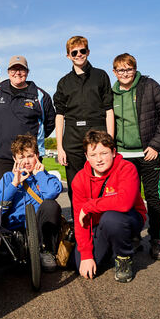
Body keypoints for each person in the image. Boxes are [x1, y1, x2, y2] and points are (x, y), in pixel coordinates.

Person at [111, 53, 160, 260]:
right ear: (115, 72)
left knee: (152, 197)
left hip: (148, 153)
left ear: (135, 69)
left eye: (129, 69)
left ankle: (156, 240)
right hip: (122, 156)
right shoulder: (111, 94)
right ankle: (134, 236)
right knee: (128, 198)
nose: (125, 73)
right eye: (121, 70)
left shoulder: (149, 85)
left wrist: (156, 145)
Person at [0, 55, 56, 182]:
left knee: (33, 199)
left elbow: (50, 123)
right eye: (13, 69)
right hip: (2, 158)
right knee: (5, 198)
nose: (17, 73)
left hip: (30, 158)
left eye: (21, 69)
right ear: (8, 72)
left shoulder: (40, 96)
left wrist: (34, 142)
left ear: (27, 72)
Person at [72, 130, 147, 283]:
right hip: (98, 224)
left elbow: (124, 203)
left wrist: (89, 206)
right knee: (80, 265)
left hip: (128, 218)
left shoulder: (127, 168)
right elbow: (81, 222)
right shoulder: (79, 179)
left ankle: (123, 256)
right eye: (93, 155)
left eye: (104, 153)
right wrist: (86, 255)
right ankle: (111, 246)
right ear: (86, 157)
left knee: (111, 219)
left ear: (113, 152)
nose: (99, 159)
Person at [53, 36, 114, 206]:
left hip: (98, 134)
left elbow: (109, 109)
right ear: (68, 56)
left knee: (101, 184)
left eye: (82, 51)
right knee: (76, 186)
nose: (79, 54)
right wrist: (60, 147)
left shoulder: (101, 76)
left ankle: (102, 227)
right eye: (74, 52)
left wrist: (110, 141)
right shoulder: (63, 82)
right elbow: (60, 116)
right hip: (72, 138)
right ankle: (81, 228)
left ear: (88, 52)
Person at [0, 134, 63, 272]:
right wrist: (14, 184)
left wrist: (39, 175)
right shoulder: (8, 178)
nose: (26, 161)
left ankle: (47, 251)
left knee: (51, 205)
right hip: (15, 230)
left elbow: (52, 193)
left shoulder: (46, 176)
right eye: (21, 157)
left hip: (39, 229)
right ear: (14, 159)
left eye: (30, 156)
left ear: (37, 155)